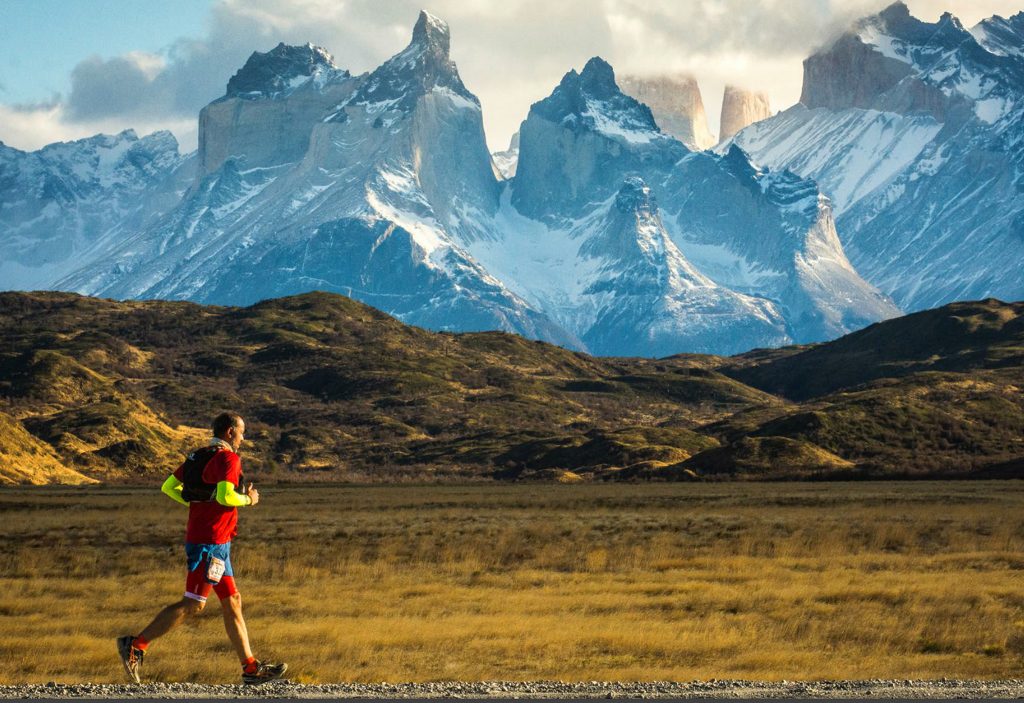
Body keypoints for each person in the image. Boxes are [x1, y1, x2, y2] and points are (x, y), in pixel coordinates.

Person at [117, 412, 287, 685]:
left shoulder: (198, 456)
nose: (243, 438)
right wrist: (249, 499)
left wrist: (197, 507)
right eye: (242, 432)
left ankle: (251, 669)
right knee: (194, 604)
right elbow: (225, 495)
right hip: (210, 543)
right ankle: (136, 645)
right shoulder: (227, 458)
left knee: (233, 601)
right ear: (231, 432)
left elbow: (169, 487)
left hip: (214, 541)